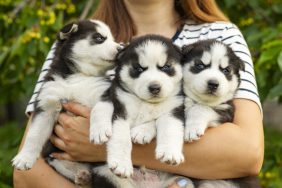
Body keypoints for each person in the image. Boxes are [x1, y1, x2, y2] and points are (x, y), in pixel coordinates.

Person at [13, 0, 264, 187]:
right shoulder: (82, 39)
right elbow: (27, 172)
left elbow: (248, 154)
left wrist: (106, 149)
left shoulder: (220, 35)